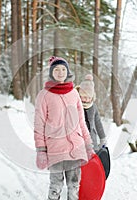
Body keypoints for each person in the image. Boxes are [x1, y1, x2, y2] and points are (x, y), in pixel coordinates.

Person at [34, 56, 94, 200]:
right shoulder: (44, 95)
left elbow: (81, 121)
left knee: (74, 185)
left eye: (63, 69)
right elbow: (39, 124)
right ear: (51, 73)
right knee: (56, 185)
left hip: (76, 147)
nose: (60, 72)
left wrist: (88, 144)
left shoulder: (74, 93)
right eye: (56, 69)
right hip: (56, 148)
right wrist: (41, 150)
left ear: (67, 72)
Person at [75, 74, 107, 152]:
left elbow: (98, 122)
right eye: (85, 97)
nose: (87, 100)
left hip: (92, 141)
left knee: (93, 162)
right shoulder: (75, 105)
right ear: (79, 95)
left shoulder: (93, 107)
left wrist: (102, 138)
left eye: (89, 97)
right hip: (78, 142)